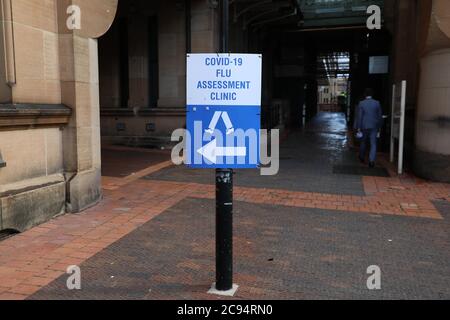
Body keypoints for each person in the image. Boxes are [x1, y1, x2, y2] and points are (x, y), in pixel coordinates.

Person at [356, 88, 383, 168]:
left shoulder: (361, 103)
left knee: (363, 142)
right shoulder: (377, 103)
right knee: (373, 143)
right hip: (374, 126)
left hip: (364, 126)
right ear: (372, 95)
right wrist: (379, 126)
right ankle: (371, 161)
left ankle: (361, 157)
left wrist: (358, 127)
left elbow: (360, 116)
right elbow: (379, 117)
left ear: (365, 95)